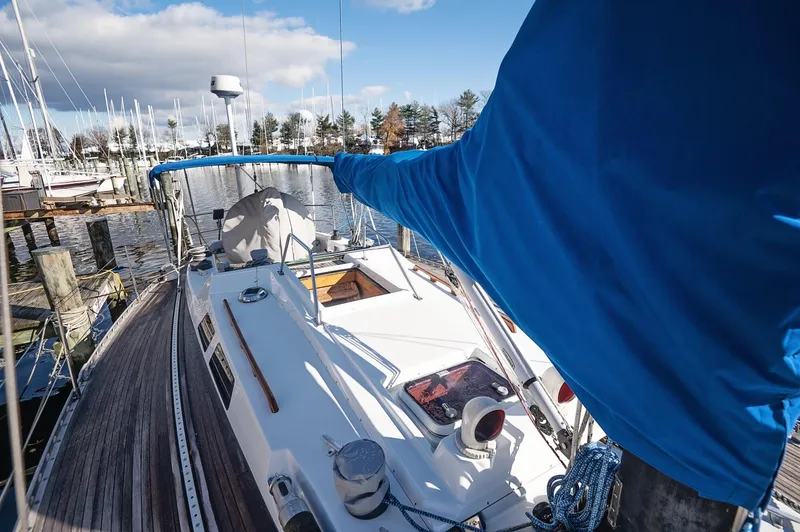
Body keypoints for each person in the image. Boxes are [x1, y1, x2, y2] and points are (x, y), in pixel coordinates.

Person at [332, 0, 800, 520]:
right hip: (724, 435)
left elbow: (445, 182)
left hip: (712, 438)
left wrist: (347, 170)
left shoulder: (490, 176)